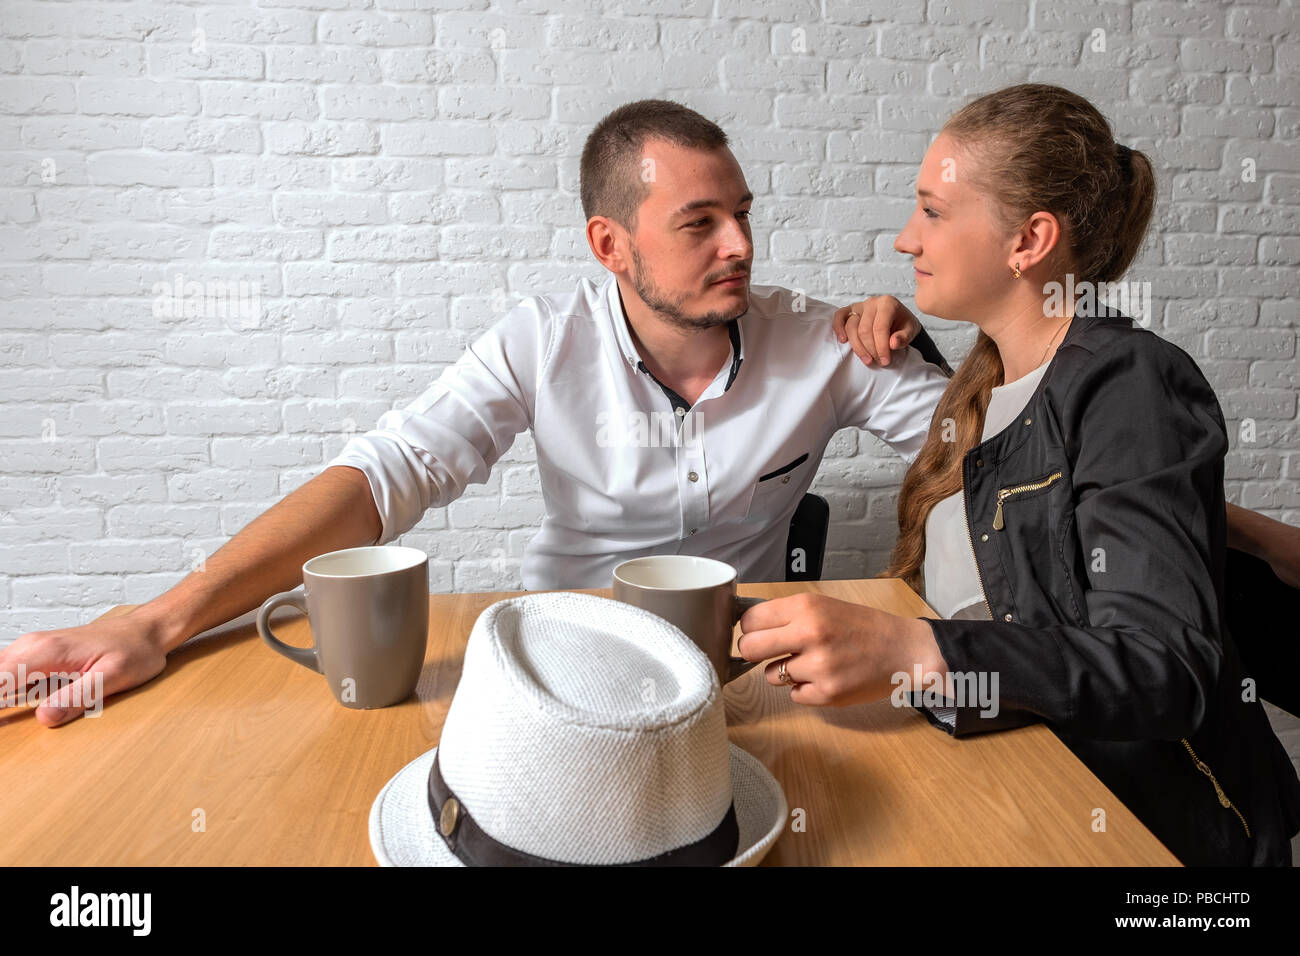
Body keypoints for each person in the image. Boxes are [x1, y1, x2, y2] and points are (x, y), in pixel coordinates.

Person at [0, 100, 951, 728]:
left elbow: (991, 451)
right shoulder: (539, 342)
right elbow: (385, 478)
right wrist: (157, 622)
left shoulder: (830, 342)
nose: (741, 244)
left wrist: (952, 341)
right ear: (610, 245)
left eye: (743, 212)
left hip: (735, 683)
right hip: (557, 670)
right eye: (699, 223)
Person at [736, 83, 1300, 866]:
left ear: (1029, 240)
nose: (906, 239)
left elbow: (1167, 665)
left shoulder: (1129, 381)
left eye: (933, 211)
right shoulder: (984, 384)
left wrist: (918, 651)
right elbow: (1048, 506)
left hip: (1141, 837)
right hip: (1003, 779)